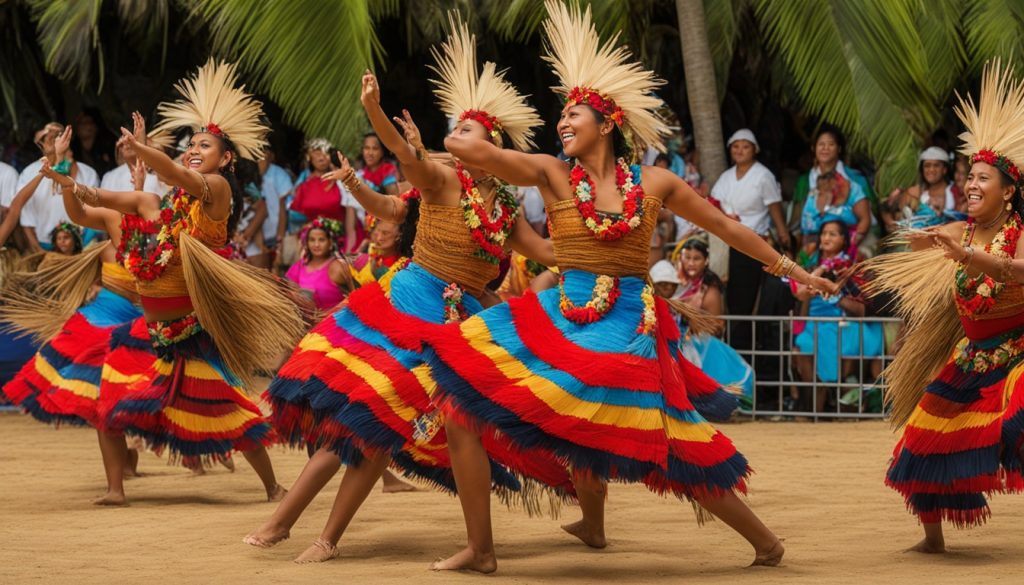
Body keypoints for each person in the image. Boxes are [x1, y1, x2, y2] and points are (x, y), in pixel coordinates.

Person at [428, 1, 836, 572]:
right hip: (562, 311)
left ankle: (766, 542)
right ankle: (482, 547)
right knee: (459, 404)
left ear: (609, 123)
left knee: (661, 439)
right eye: (560, 115)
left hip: (627, 322)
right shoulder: (549, 172)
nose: (563, 123)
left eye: (574, 115)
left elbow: (727, 227)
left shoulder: (656, 183)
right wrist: (468, 126)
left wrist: (795, 272)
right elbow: (473, 151)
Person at [245, 17, 567, 563]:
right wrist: (374, 110)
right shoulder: (442, 182)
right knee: (362, 420)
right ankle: (286, 523)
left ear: (495, 149)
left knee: (378, 429)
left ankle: (318, 535)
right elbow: (406, 157)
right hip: (406, 304)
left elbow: (547, 255)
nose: (456, 139)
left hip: (457, 322)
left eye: (468, 133)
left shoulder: (507, 211)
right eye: (456, 132)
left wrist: (603, 238)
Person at [39, 61, 307, 506]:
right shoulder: (154, 208)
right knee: (109, 404)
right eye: (193, 144)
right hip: (149, 332)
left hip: (193, 331)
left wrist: (142, 151)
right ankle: (115, 489)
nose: (196, 149)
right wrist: (64, 171)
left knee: (230, 412)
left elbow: (179, 174)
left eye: (206, 145)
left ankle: (272, 486)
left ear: (226, 158)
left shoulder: (216, 192)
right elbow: (86, 208)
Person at [868, 60, 1024, 554]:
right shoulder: (956, 230)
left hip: (1019, 353)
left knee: (1018, 419)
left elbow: (1019, 270)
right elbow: (917, 249)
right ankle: (932, 537)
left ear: (1009, 191)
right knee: (922, 438)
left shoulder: (1015, 236)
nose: (971, 185)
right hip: (970, 357)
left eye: (982, 179)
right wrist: (915, 241)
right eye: (968, 178)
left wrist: (975, 257)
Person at [792, 219, 882, 412]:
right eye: (824, 233)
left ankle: (828, 405)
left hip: (842, 321)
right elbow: (802, 296)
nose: (826, 238)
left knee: (843, 341)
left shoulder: (849, 268)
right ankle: (811, 407)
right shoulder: (809, 264)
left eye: (832, 234)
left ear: (844, 240)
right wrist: (821, 270)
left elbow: (862, 307)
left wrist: (836, 295)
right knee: (803, 346)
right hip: (813, 322)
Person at [712, 128, 788, 354]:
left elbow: (774, 207)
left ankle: (744, 345)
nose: (740, 150)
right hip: (726, 243)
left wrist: (783, 234)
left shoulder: (763, 175)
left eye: (745, 146)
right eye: (736, 146)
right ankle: (731, 343)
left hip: (753, 241)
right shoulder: (726, 176)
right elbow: (713, 202)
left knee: (747, 297)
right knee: (729, 293)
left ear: (754, 150)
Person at [790, 124, 878, 255]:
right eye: (821, 144)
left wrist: (848, 247)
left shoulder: (855, 180)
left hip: (850, 245)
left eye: (831, 144)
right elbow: (795, 223)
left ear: (839, 149)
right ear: (813, 148)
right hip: (811, 247)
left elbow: (869, 218)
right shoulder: (804, 181)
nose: (825, 148)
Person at [18, 122, 99, 252]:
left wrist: (85, 248)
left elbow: (95, 211)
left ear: (68, 138)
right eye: (46, 136)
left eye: (58, 135)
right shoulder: (28, 173)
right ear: (39, 143)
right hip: (44, 247)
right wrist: (40, 252)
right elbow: (24, 214)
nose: (52, 137)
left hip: (83, 246)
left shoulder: (88, 173)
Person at [289, 139, 358, 253]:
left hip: (338, 244)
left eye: (325, 153)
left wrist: (349, 248)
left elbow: (351, 220)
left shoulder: (341, 183)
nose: (321, 157)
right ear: (309, 157)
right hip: (311, 246)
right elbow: (296, 221)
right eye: (317, 153)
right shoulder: (303, 186)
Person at [882, 147, 964, 232]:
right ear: (922, 170)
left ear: (944, 169)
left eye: (936, 165)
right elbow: (885, 208)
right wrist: (892, 224)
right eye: (927, 166)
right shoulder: (915, 192)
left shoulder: (955, 192)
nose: (931, 170)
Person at [798, 169, 871, 262]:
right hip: (817, 239)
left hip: (849, 238)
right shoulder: (814, 196)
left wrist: (850, 244)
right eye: (824, 189)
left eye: (833, 188)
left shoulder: (853, 189)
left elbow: (865, 220)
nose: (830, 190)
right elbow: (807, 229)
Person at [284, 217, 352, 310]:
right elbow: (289, 295)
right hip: (306, 320)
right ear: (307, 243)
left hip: (333, 321)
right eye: (312, 240)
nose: (316, 244)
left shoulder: (338, 266)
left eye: (321, 240)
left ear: (331, 242)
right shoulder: (299, 266)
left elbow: (354, 294)